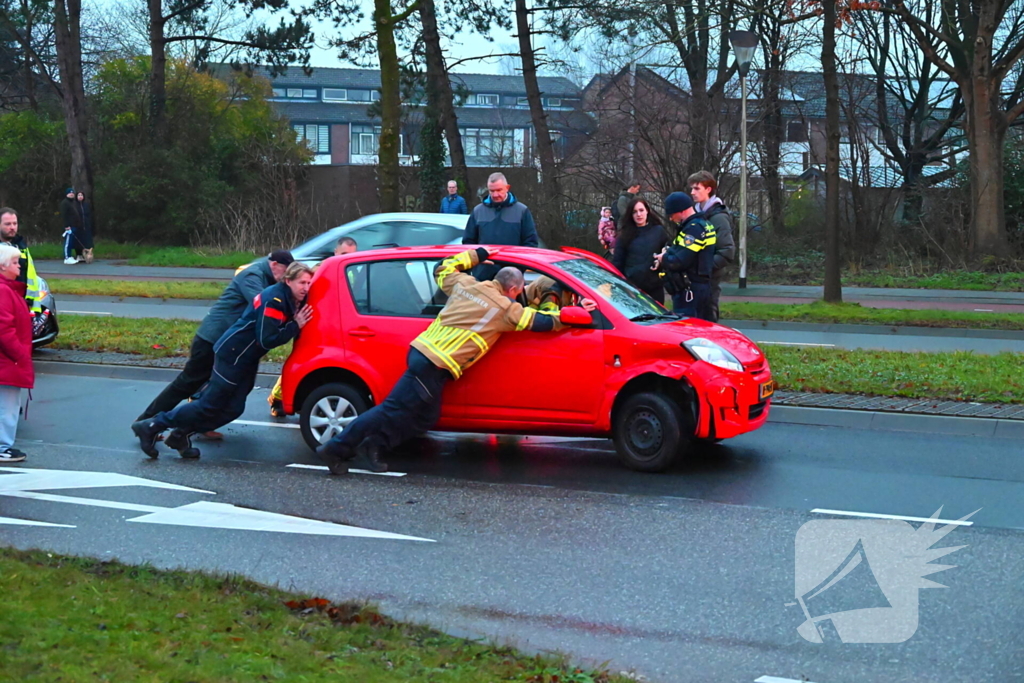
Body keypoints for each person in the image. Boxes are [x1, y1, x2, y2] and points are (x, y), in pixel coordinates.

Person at [316, 247, 596, 475]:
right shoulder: (505, 308)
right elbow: (541, 322)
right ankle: (337, 448)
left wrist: (479, 253)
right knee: (390, 409)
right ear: (514, 290)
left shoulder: (465, 284)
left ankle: (374, 446)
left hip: (422, 353)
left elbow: (444, 267)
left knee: (426, 416)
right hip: (434, 364)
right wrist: (575, 311)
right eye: (519, 292)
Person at [132, 262, 314, 459]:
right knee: (209, 404)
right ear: (288, 281)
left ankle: (180, 434)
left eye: (309, 283)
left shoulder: (287, 298)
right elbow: (267, 338)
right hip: (233, 354)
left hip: (246, 357)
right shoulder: (275, 299)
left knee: (233, 409)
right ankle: (152, 424)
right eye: (301, 282)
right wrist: (294, 325)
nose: (305, 287)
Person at [137, 250, 294, 427]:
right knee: (188, 383)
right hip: (212, 338)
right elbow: (262, 304)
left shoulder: (266, 277)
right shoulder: (252, 275)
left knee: (215, 388)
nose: (285, 278)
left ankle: (198, 425)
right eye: (285, 271)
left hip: (229, 342)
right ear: (274, 265)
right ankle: (147, 421)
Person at [267, 236, 357, 418]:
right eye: (344, 253)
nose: (348, 257)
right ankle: (278, 397)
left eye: (352, 254)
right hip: (314, 321)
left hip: (335, 323)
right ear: (336, 252)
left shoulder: (353, 270)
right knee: (301, 360)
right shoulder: (321, 270)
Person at [463, 172, 538, 279]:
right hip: (483, 275)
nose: (495, 195)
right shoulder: (478, 211)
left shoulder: (522, 211)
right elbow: (468, 242)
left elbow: (530, 243)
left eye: (499, 190)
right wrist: (479, 260)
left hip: (512, 276)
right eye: (491, 191)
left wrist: (518, 267)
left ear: (507, 188)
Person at [654, 192, 716, 320]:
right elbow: (680, 249)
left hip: (691, 291)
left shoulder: (694, 229)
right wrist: (668, 251)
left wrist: (663, 258)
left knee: (689, 331)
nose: (671, 218)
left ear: (681, 210)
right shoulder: (701, 224)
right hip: (698, 289)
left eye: (672, 214)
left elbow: (679, 261)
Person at [0, 244, 33, 463]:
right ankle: (3, 446)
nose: (19, 266)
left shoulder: (8, 289)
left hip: (8, 359)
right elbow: (4, 329)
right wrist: (20, 355)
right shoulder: (4, 291)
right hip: (8, 360)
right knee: (8, 406)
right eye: (14, 262)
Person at [689, 171, 735, 322]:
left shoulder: (719, 217)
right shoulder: (696, 214)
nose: (692, 192)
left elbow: (727, 251)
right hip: (694, 278)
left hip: (709, 278)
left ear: (708, 189)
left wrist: (704, 268)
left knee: (708, 319)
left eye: (697, 188)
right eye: (692, 189)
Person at [612, 198, 669, 302]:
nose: (639, 214)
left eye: (641, 210)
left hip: (655, 287)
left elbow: (669, 250)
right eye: (634, 212)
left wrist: (661, 259)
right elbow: (618, 263)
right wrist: (623, 287)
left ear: (647, 211)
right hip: (632, 289)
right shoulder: (624, 235)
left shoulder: (658, 231)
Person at [0, 208, 44, 320]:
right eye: (7, 224)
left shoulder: (21, 245)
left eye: (15, 223)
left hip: (22, 301)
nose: (12, 227)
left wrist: (34, 304)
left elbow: (30, 274)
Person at [59, 187, 84, 265]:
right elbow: (64, 215)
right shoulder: (65, 203)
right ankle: (67, 257)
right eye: (70, 193)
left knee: (71, 242)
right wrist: (66, 225)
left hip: (74, 226)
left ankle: (70, 256)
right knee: (67, 242)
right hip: (69, 226)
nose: (71, 194)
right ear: (67, 194)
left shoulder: (73, 203)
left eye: (72, 193)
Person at [76, 191, 95, 264]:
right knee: (78, 241)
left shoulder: (86, 205)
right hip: (78, 226)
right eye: (78, 195)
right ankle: (78, 255)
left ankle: (87, 255)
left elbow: (89, 215)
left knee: (87, 241)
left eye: (81, 195)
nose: (80, 196)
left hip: (86, 225)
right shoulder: (75, 205)